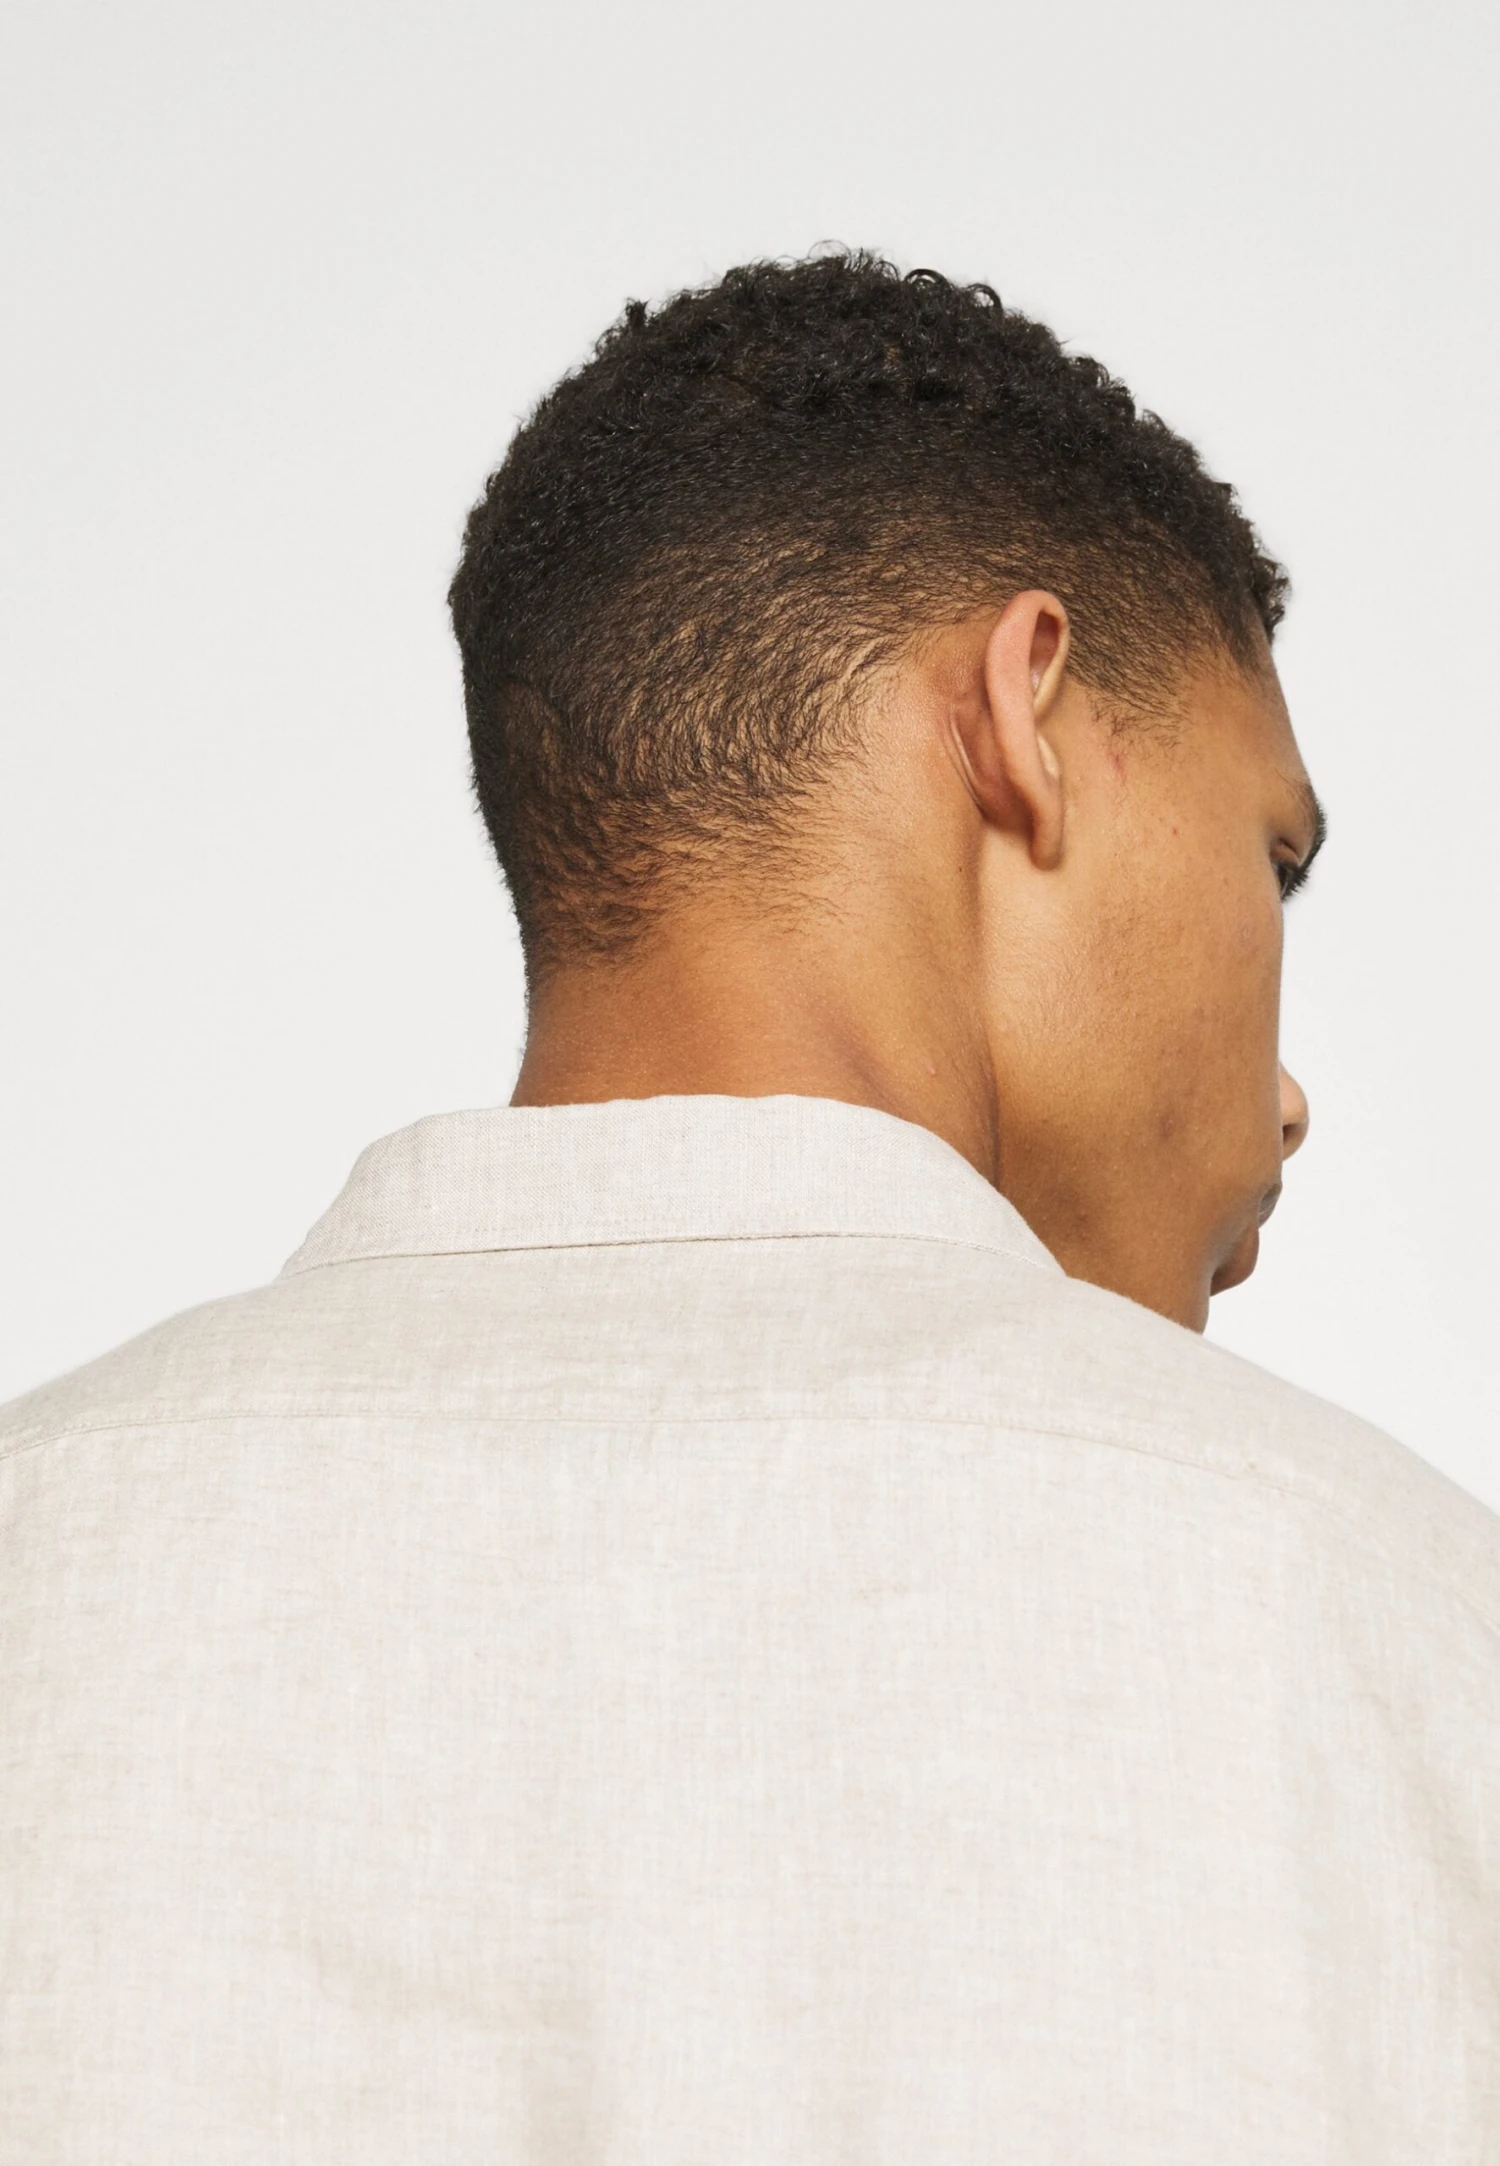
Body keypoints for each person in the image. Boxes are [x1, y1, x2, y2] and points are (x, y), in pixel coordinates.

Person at [2, 252, 1496, 2164]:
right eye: (1274, 861)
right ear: (1026, 714)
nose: (1286, 1096)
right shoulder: (1397, 1641)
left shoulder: (43, 1558)